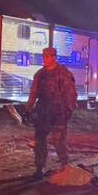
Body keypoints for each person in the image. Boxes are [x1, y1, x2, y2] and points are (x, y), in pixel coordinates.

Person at [26, 46, 77, 180]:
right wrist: (29, 108)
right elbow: (34, 92)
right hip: (43, 111)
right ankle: (39, 168)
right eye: (44, 56)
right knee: (40, 140)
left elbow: (70, 93)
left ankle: (64, 165)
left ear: (54, 57)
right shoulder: (40, 74)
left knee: (58, 140)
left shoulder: (63, 73)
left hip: (58, 112)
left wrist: (68, 110)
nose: (45, 59)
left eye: (47, 56)